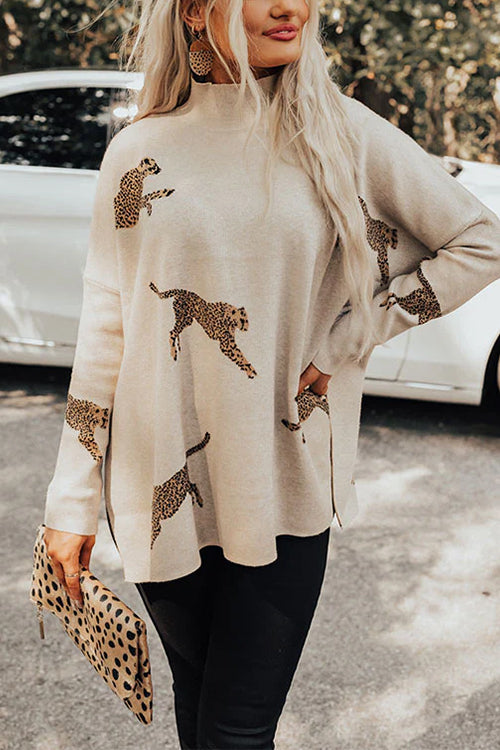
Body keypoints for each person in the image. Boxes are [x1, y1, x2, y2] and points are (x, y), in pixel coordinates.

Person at [41, 0, 500, 747]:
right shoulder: (139, 150)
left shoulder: (340, 131)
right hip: (157, 485)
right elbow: (105, 332)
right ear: (196, 12)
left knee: (237, 728)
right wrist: (70, 502)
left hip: (283, 479)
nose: (290, 8)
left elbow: (479, 241)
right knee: (201, 708)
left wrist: (352, 335)